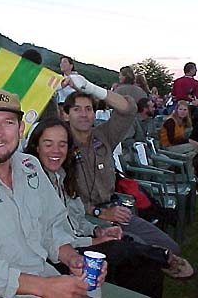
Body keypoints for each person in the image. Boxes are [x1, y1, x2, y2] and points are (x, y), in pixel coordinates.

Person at [0, 88, 108, 298]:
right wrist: (45, 287)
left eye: (8, 123)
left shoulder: (29, 166)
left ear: (21, 128)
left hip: (45, 277)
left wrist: (73, 259)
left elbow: (53, 227)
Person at [24, 118, 194, 297]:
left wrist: (97, 230)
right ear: (36, 147)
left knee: (145, 268)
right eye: (48, 144)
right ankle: (162, 256)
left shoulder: (63, 176)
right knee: (121, 248)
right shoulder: (32, 184)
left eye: (62, 144)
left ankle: (154, 259)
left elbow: (77, 219)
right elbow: (51, 238)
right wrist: (93, 241)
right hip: (61, 256)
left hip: (82, 238)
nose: (56, 151)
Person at [62, 85, 180, 255]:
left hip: (116, 210)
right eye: (76, 109)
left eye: (88, 109)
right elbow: (62, 199)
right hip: (85, 218)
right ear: (66, 114)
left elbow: (129, 109)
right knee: (144, 253)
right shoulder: (60, 147)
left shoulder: (103, 135)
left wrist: (92, 88)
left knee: (170, 247)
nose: (83, 114)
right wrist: (99, 212)